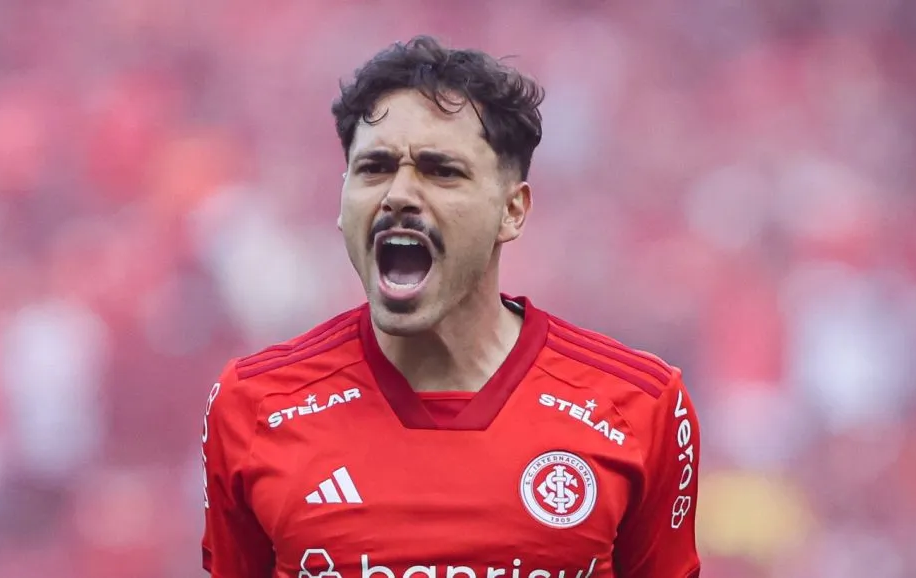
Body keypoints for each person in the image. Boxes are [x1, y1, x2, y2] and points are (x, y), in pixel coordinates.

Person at [201, 36, 701, 578]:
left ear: (512, 210)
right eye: (374, 167)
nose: (398, 194)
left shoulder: (641, 407)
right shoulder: (255, 405)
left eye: (441, 171)